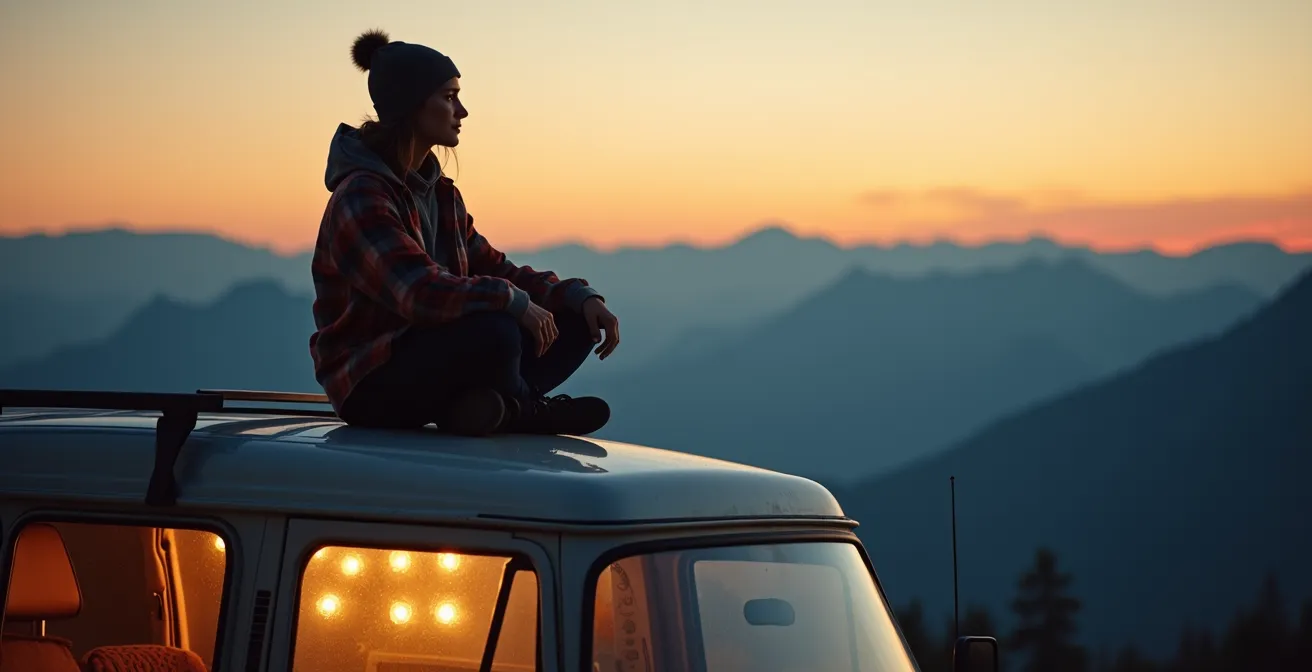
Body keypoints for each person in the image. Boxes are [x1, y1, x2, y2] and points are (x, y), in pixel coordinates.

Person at [309, 29, 620, 437]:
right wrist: (511, 301)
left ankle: (485, 408)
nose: (463, 111)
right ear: (412, 105)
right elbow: (418, 292)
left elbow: (493, 267)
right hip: (370, 383)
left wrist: (577, 296)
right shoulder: (361, 196)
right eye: (449, 97)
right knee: (496, 330)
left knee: (575, 322)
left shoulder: (441, 195)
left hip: (431, 359)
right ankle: (524, 410)